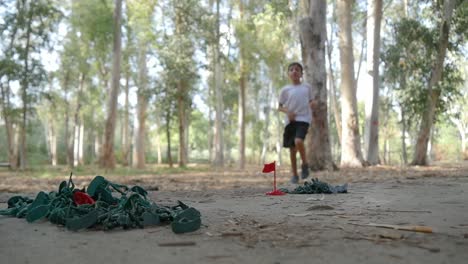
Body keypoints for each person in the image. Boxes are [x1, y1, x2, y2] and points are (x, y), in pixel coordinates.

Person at [278, 62, 317, 184]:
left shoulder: (307, 87)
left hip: (304, 119)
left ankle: (305, 164)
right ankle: (294, 175)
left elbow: (311, 100)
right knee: (292, 149)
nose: (294, 71)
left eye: (297, 70)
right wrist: (288, 112)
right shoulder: (285, 90)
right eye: (291, 70)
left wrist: (312, 104)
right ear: (288, 74)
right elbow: (280, 106)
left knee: (298, 141)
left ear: (301, 74)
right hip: (290, 121)